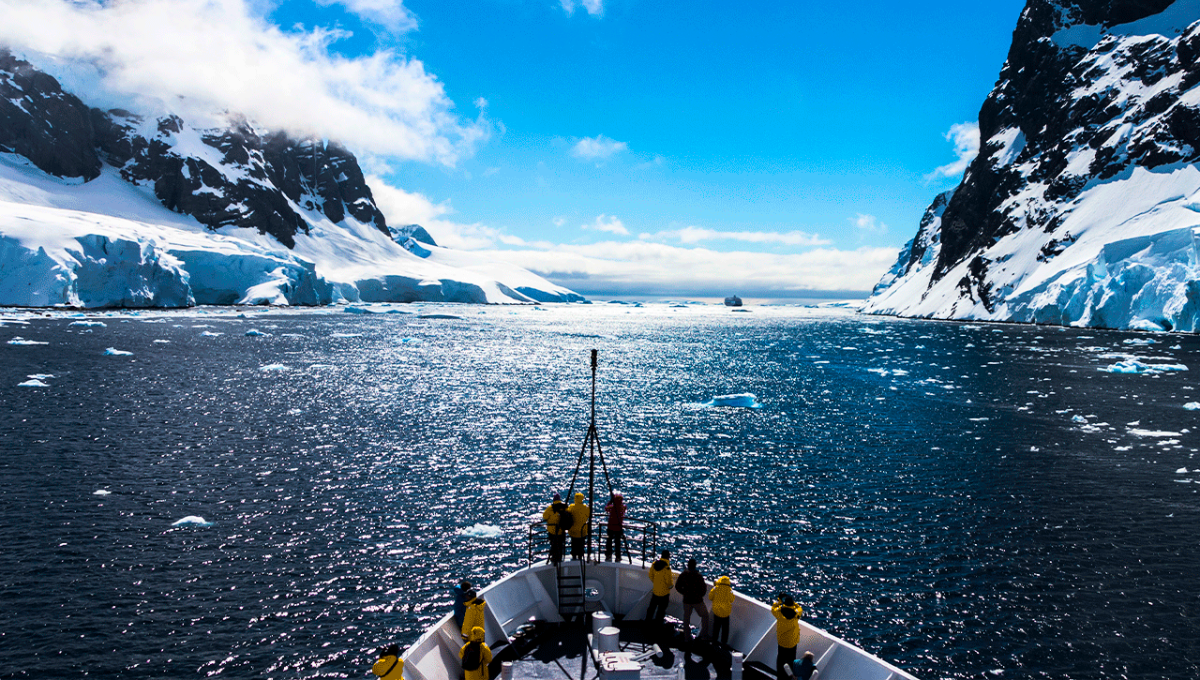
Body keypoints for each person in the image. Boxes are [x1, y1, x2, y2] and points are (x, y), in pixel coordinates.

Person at [675, 558, 711, 639]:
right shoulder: (698, 575)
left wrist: (684, 593)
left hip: (687, 600)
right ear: (695, 565)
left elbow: (677, 586)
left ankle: (686, 637)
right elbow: (703, 589)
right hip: (697, 600)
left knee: (686, 618)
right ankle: (703, 635)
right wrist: (699, 595)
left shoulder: (683, 574)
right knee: (705, 615)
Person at [772, 594, 803, 679]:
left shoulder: (779, 613)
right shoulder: (796, 614)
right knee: (792, 660)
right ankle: (790, 677)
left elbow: (773, 608)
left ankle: (780, 676)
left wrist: (779, 600)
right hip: (793, 641)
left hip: (782, 641)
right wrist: (794, 604)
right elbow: (800, 608)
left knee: (780, 660)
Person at [644, 549, 673, 625]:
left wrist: (656, 582)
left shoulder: (654, 564)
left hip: (655, 591)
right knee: (661, 611)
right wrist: (670, 586)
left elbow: (651, 575)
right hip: (664, 594)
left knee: (651, 609)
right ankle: (657, 626)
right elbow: (668, 582)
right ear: (668, 557)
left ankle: (647, 624)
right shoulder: (667, 568)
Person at [542, 493, 569, 565]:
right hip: (561, 529)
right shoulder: (564, 506)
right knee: (560, 544)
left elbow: (545, 516)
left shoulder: (550, 508)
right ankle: (559, 557)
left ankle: (554, 558)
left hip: (552, 530)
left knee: (553, 544)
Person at [708, 575, 734, 645]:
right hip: (726, 613)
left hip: (717, 611)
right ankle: (724, 643)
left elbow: (710, 597)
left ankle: (714, 641)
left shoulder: (716, 588)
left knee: (716, 627)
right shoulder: (729, 590)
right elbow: (732, 599)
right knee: (725, 629)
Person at [567, 492, 590, 561]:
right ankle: (580, 555)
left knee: (574, 543)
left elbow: (567, 514)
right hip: (582, 530)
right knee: (581, 544)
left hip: (573, 529)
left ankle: (574, 556)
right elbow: (588, 515)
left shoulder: (571, 507)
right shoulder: (585, 507)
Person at [604, 491, 626, 561]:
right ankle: (618, 557)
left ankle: (608, 555)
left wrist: (611, 501)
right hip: (618, 527)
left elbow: (606, 508)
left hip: (611, 527)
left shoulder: (612, 507)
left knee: (609, 542)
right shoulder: (623, 507)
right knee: (617, 543)